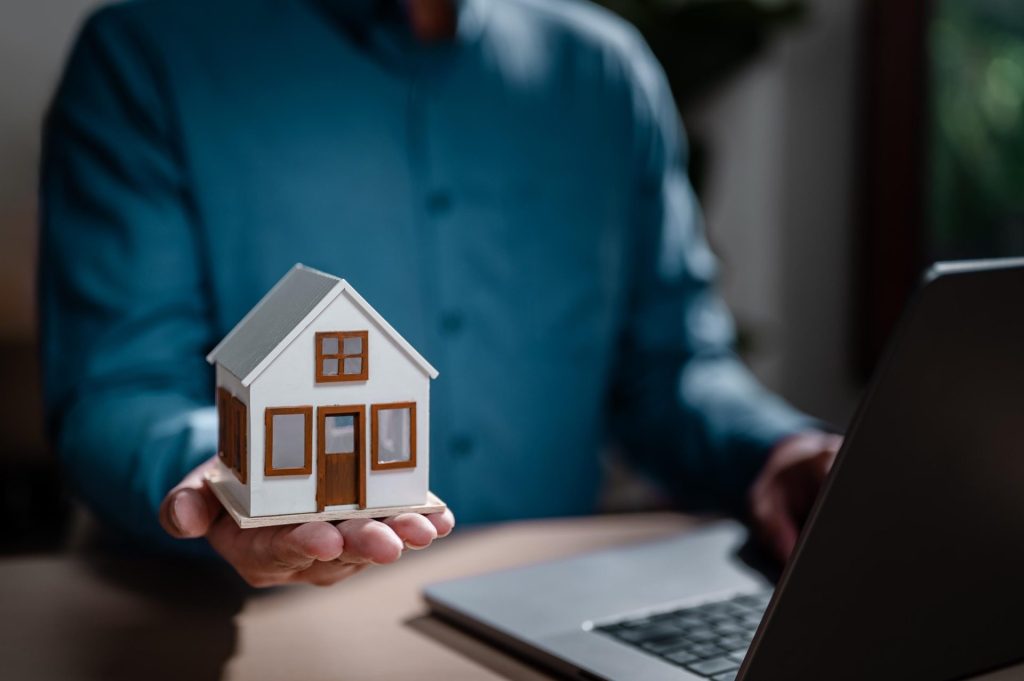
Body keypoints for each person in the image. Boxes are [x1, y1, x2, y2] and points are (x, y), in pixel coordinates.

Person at [39, 0, 841, 588]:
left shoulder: (605, 72)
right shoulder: (147, 52)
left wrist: (778, 452)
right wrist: (232, 478)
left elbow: (670, 367)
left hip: (541, 611)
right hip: (223, 629)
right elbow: (120, 390)